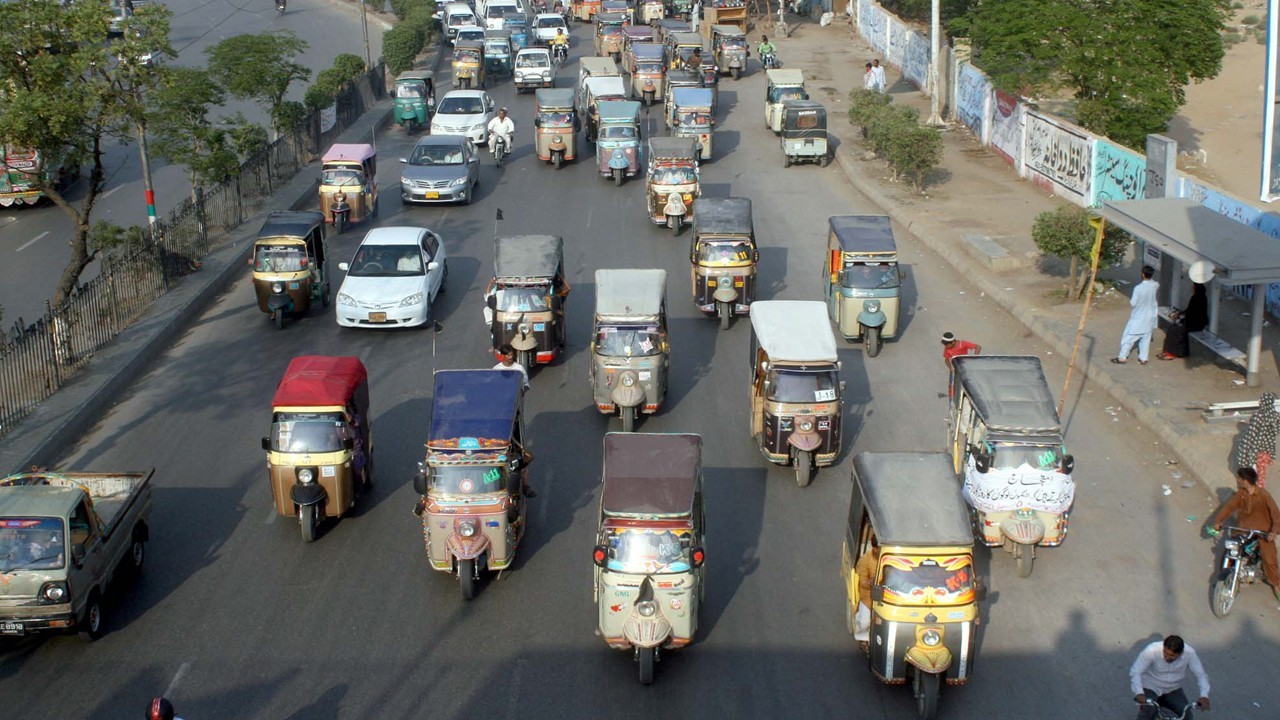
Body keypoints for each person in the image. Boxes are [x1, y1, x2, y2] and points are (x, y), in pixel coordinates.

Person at [1211, 467, 1280, 599]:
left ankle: (1277, 585)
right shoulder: (1241, 494)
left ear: (1246, 481)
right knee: (1229, 552)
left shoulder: (1264, 495)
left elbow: (1276, 516)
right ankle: (1223, 579)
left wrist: (1273, 532)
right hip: (1243, 530)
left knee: (1270, 559)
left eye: (1240, 478)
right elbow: (1229, 507)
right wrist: (1218, 521)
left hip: (1262, 532)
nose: (1238, 480)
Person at [1129, 635, 1210, 719]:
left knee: (1187, 715)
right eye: (1165, 653)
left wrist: (1204, 696)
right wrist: (1139, 692)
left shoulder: (1189, 653)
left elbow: (1201, 675)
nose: (1167, 657)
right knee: (1149, 710)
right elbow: (1136, 672)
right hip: (1151, 686)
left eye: (1172, 655)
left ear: (1180, 653)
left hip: (1173, 689)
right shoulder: (1152, 650)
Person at [1113, 265, 1159, 365]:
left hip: (1139, 318)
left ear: (1142, 274)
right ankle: (1143, 358)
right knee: (1145, 339)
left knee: (1128, 338)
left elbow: (1133, 303)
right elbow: (1154, 283)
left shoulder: (1138, 288)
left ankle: (1122, 357)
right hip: (1150, 317)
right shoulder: (1155, 285)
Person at [1236, 393, 1279, 487]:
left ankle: (1253, 495)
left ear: (1262, 402)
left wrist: (1244, 451)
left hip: (1256, 450)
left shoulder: (1258, 416)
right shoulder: (1276, 416)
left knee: (1251, 475)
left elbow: (1251, 435)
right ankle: (1260, 493)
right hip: (1267, 451)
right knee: (1262, 474)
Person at [1158, 282, 1208, 360]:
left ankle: (1172, 353)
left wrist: (1182, 318)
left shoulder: (1198, 298)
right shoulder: (1197, 297)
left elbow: (1193, 314)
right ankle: (1175, 351)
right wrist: (1181, 314)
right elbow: (1189, 311)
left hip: (1196, 324)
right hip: (1192, 322)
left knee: (1175, 330)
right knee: (1172, 327)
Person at [853, 537, 879, 645]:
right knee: (864, 621)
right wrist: (871, 582)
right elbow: (863, 583)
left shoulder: (889, 557)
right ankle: (862, 637)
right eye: (879, 549)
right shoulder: (865, 560)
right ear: (874, 548)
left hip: (887, 596)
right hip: (869, 597)